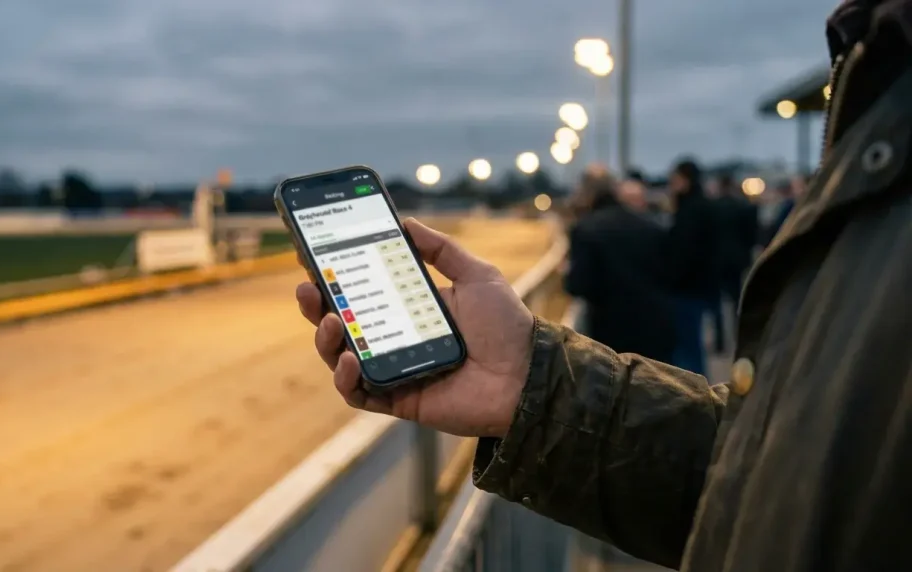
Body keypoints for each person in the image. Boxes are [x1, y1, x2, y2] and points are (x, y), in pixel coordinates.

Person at [296, 1, 911, 570]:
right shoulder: (880, 63)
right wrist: (532, 391)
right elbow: (782, 475)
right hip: (664, 325)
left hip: (637, 327)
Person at [563, 180, 675, 362]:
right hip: (655, 323)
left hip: (611, 330)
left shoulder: (586, 229)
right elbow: (669, 272)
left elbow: (578, 285)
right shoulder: (651, 226)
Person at [665, 158, 718, 375]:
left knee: (687, 349)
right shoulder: (704, 206)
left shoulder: (688, 211)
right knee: (693, 345)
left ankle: (693, 397)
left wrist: (670, 279)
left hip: (686, 289)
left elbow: (683, 252)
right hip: (701, 286)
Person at [709, 173, 760, 330]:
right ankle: (737, 330)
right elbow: (750, 234)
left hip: (717, 258)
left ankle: (719, 337)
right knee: (737, 297)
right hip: (737, 258)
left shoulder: (713, 208)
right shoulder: (742, 206)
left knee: (717, 299)